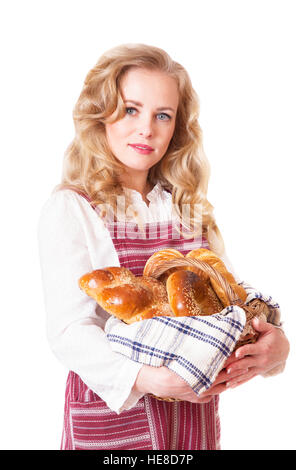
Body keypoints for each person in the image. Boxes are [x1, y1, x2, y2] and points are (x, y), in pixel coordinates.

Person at [38, 43, 289, 450]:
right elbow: (69, 332)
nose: (146, 129)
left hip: (194, 420)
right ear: (101, 113)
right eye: (130, 109)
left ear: (177, 127)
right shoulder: (73, 209)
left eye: (163, 115)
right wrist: (151, 379)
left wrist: (274, 347)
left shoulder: (186, 207)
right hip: (114, 414)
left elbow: (229, 304)